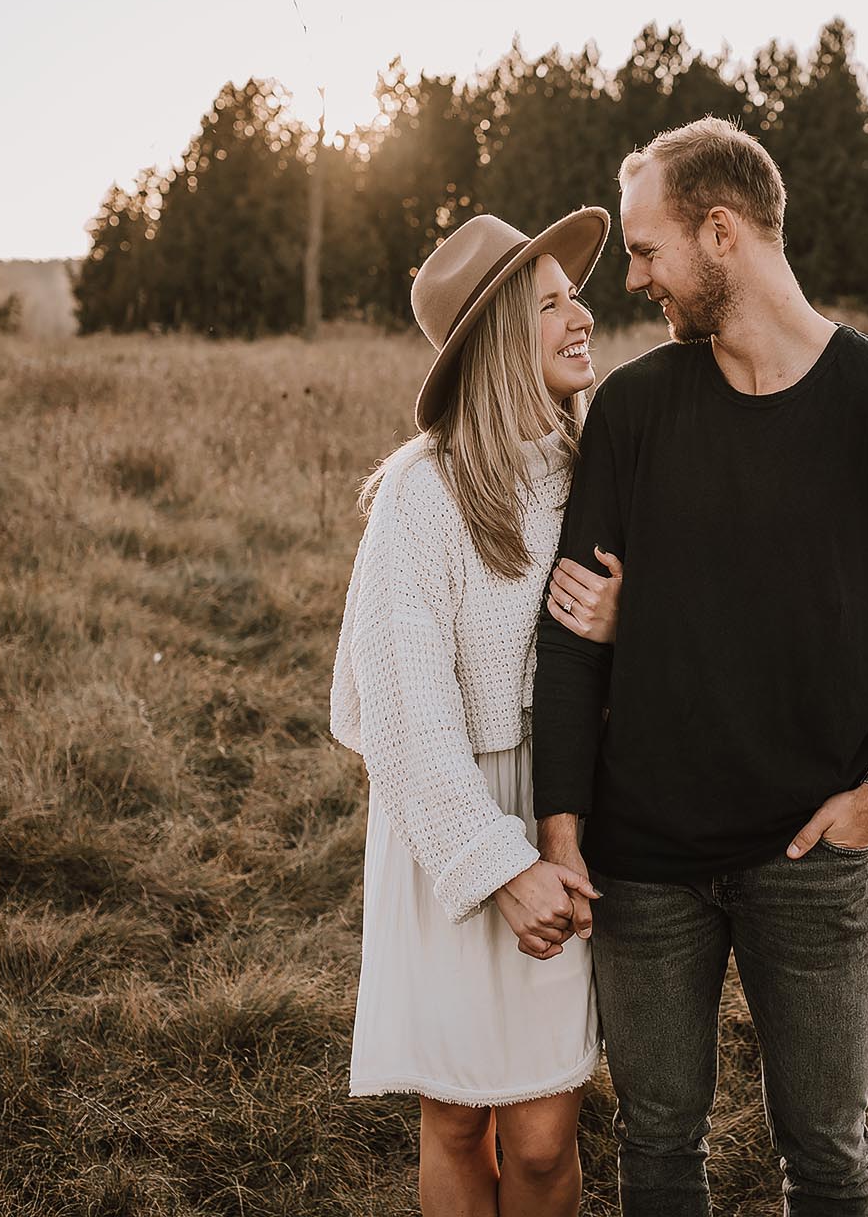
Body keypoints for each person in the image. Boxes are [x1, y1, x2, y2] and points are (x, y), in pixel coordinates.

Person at [531, 118, 868, 1216]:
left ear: (722, 231)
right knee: (656, 1150)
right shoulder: (636, 411)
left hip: (811, 855)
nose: (633, 281)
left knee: (829, 1161)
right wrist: (563, 827)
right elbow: (567, 634)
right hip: (641, 863)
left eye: (646, 251)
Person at [329, 206, 627, 1216]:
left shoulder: (600, 464)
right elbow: (404, 708)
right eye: (550, 305)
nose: (579, 315)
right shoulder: (425, 491)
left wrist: (629, 615)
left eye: (573, 294)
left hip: (563, 810)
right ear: (502, 338)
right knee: (457, 1114)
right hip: (450, 823)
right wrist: (496, 864)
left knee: (543, 1135)